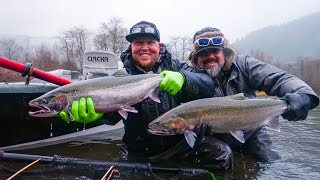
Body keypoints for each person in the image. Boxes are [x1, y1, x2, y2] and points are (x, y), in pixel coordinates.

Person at [59, 21, 233, 169]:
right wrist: (96, 116)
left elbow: (207, 85)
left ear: (159, 46)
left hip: (182, 144)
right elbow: (111, 118)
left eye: (150, 42)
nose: (144, 48)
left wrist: (184, 79)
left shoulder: (178, 67)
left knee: (222, 154)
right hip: (138, 150)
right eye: (138, 43)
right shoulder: (121, 76)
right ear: (131, 47)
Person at [188, 27, 320, 168]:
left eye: (215, 51)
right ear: (196, 58)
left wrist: (302, 94)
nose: (210, 56)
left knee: (272, 165)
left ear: (224, 52)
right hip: (214, 137)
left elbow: (278, 78)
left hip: (252, 131)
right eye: (203, 53)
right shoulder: (189, 77)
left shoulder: (244, 65)